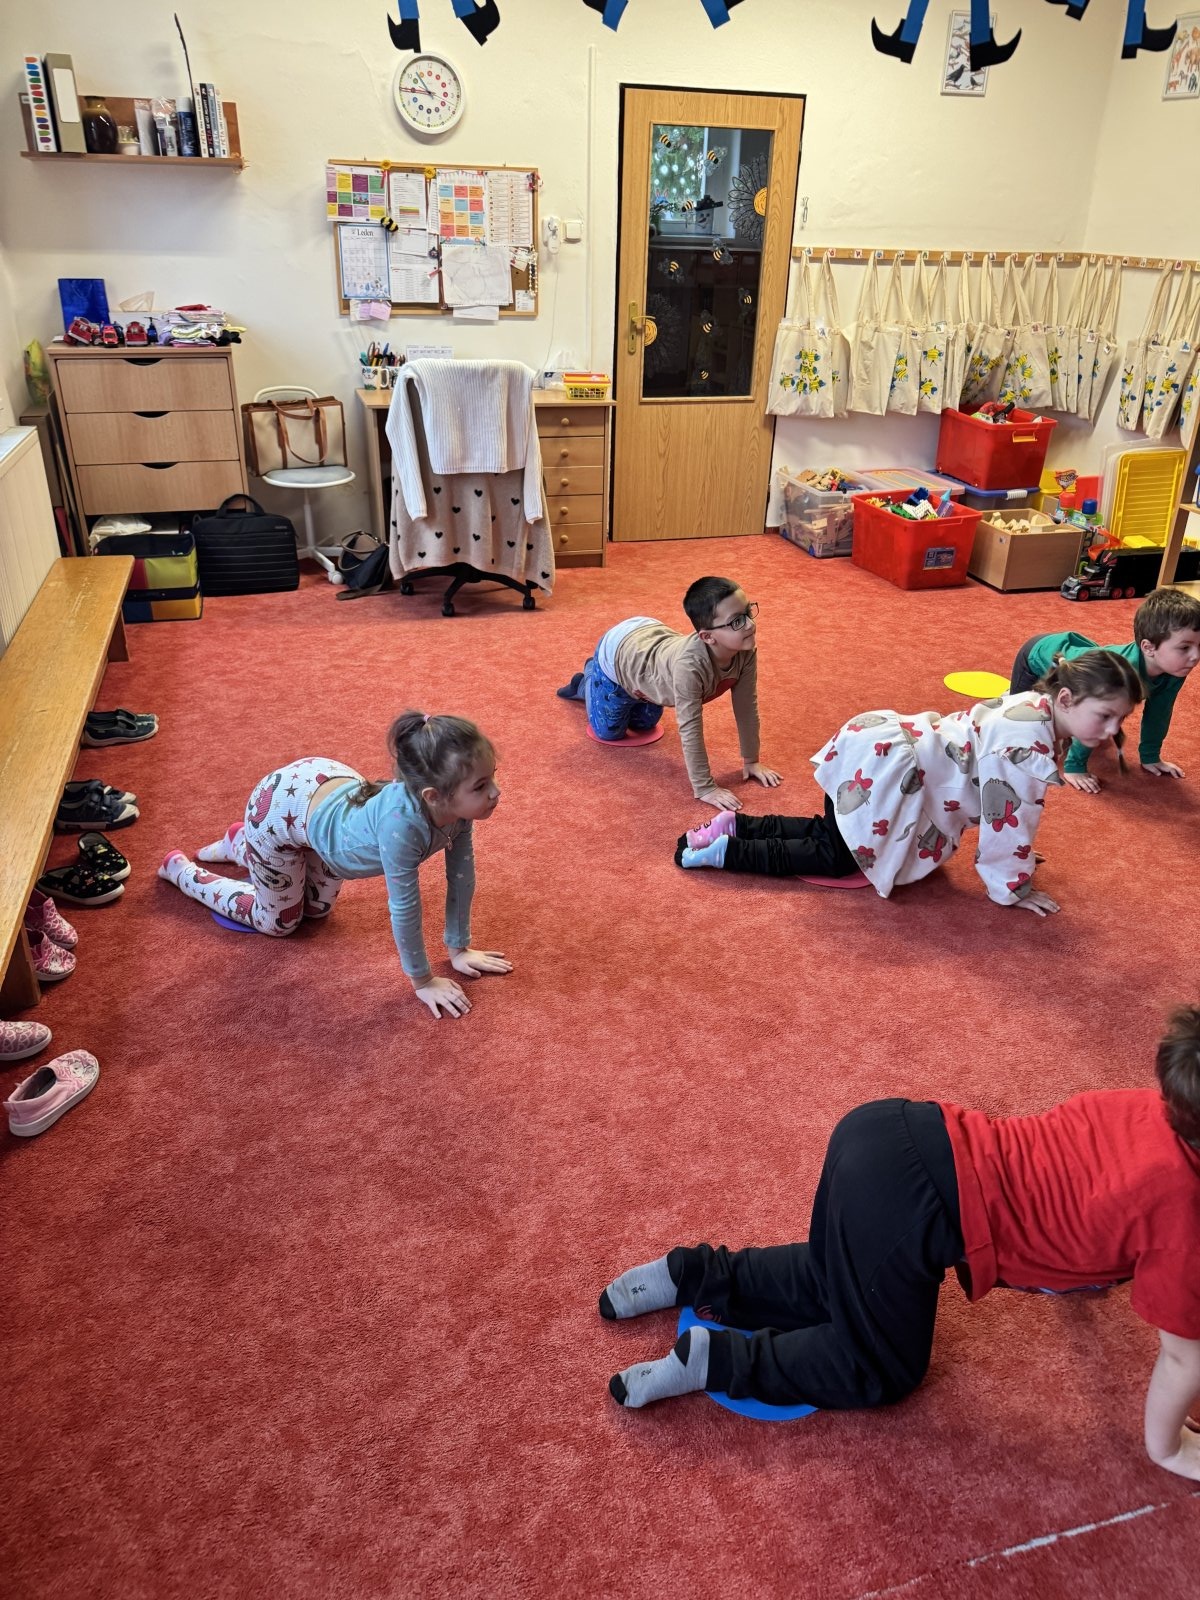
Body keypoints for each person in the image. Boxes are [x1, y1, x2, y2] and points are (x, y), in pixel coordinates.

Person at [598, 1004, 1200, 1486]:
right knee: (880, 1369)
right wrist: (1167, 1448)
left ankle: (688, 1273)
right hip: (915, 1207)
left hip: (890, 1127)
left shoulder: (1151, 1106)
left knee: (828, 1279)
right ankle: (717, 1361)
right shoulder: (1185, 1216)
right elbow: (1181, 1359)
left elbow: (1090, 1186)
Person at [677, 651, 1142, 917]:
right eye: (1105, 715)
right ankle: (725, 852)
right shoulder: (1027, 748)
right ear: (1066, 698)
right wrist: (1013, 884)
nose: (1111, 730)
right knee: (835, 857)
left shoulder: (1035, 705)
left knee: (829, 833)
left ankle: (735, 825)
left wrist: (1017, 849)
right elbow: (1009, 822)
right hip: (888, 773)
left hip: (878, 748)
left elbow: (1000, 806)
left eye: (1119, 720)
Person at [158, 712, 510, 1020]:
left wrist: (459, 949)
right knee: (280, 922)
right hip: (278, 809)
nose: (495, 792)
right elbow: (405, 907)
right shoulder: (402, 828)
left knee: (316, 910)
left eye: (491, 777)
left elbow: (461, 878)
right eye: (481, 786)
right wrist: (423, 981)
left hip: (322, 792)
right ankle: (184, 872)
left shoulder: (457, 811)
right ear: (433, 795)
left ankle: (242, 843)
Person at [555, 575, 780, 812]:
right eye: (736, 621)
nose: (750, 625)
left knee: (645, 723)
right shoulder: (689, 668)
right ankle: (590, 676)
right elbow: (690, 727)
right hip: (618, 652)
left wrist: (751, 760)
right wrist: (704, 787)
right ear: (707, 636)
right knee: (610, 732)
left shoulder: (745, 651)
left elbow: (746, 708)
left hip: (649, 646)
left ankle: (625, 689)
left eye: (748, 612)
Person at [1008, 588, 1200, 794]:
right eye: (1184, 648)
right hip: (1038, 655)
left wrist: (1150, 756)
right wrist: (1074, 766)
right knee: (1018, 726)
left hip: (1083, 664)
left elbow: (1159, 713)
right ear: (1148, 647)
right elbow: (1091, 715)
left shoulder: (1175, 668)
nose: (1195, 656)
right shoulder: (1121, 674)